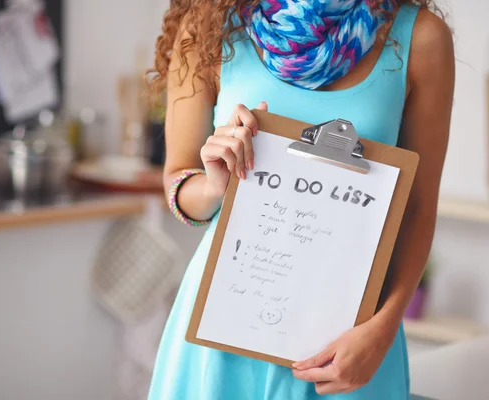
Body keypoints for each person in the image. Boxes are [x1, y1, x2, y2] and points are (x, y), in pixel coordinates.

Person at [147, 0, 454, 398]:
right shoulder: (207, 25)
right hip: (225, 325)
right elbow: (178, 177)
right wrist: (211, 188)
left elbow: (416, 208)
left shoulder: (421, 37)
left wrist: (383, 328)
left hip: (353, 340)